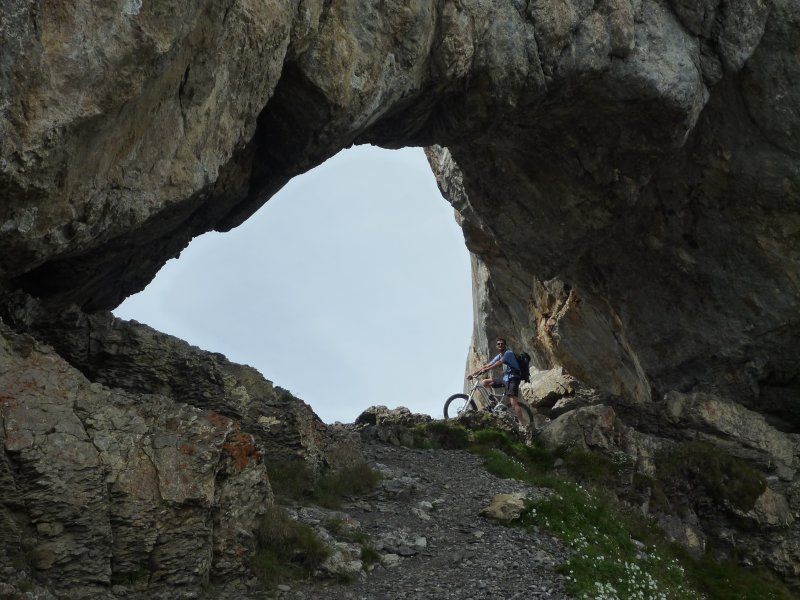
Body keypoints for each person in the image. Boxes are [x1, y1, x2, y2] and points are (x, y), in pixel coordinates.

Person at [468, 337, 525, 425]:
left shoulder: (508, 353)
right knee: (485, 382)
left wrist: (487, 370)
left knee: (513, 403)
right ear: (496, 346)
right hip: (505, 379)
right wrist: (473, 374)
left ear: (505, 345)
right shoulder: (498, 356)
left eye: (502, 344)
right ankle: (493, 402)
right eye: (498, 344)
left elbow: (498, 364)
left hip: (513, 378)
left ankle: (522, 425)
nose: (500, 345)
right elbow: (486, 366)